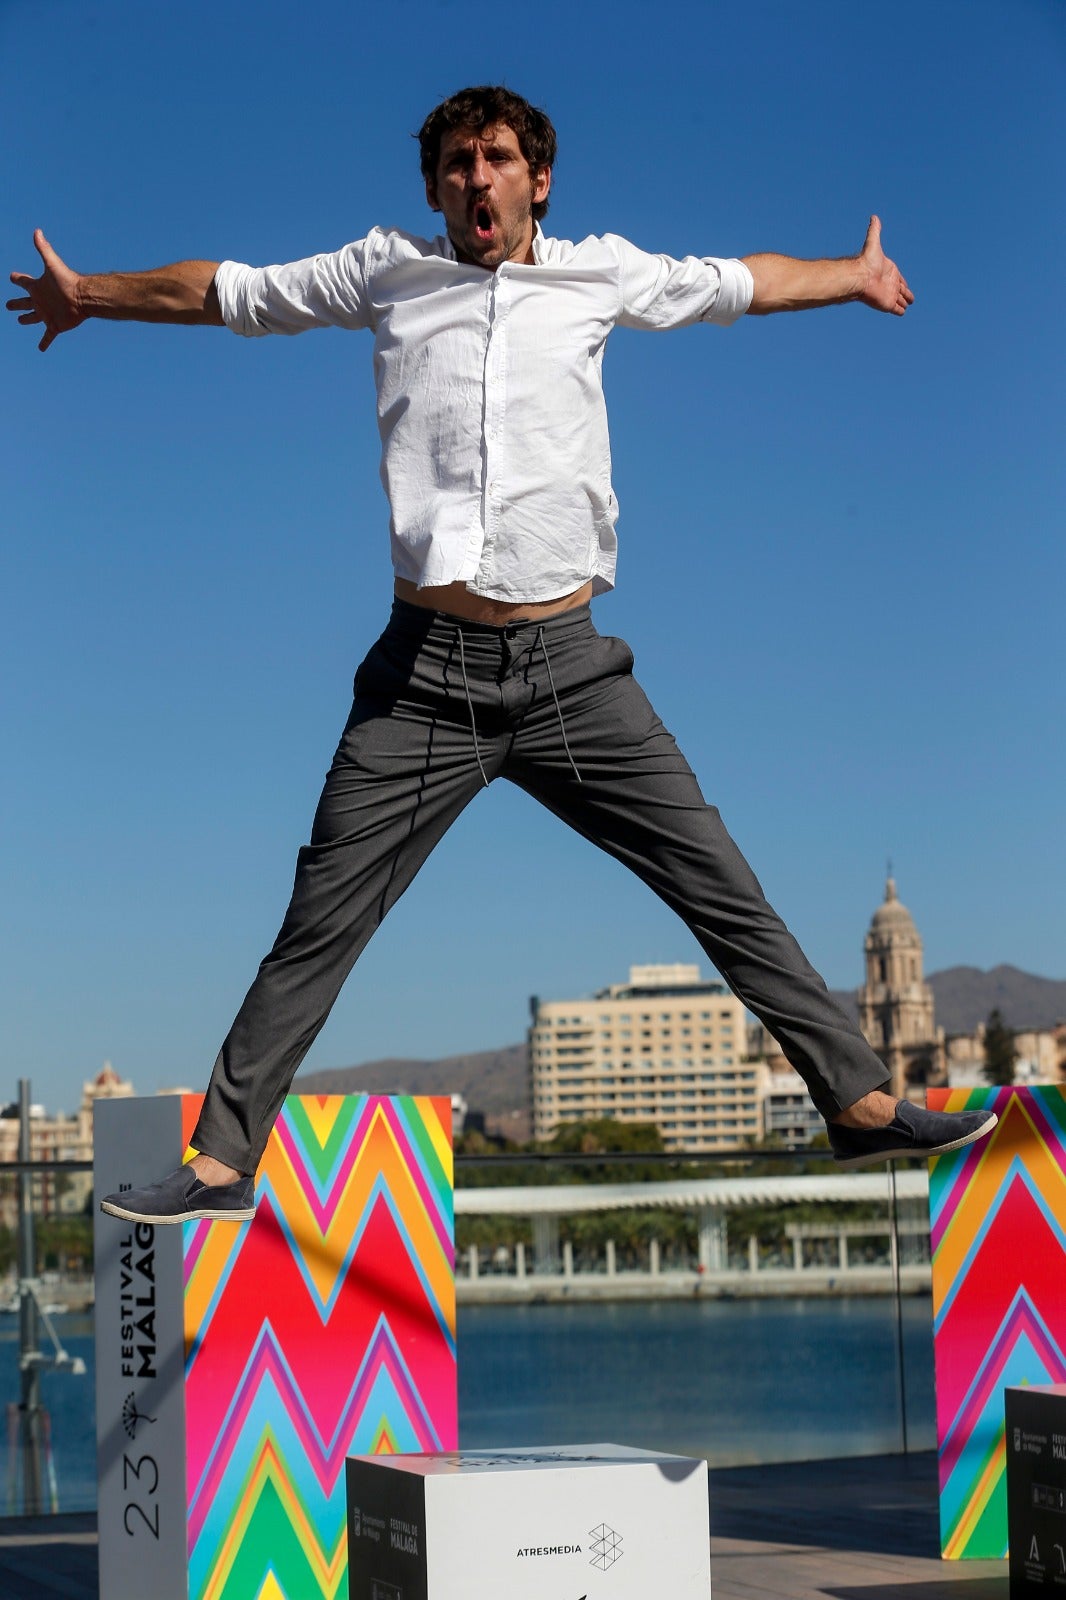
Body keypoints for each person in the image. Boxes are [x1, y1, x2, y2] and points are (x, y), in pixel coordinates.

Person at [9, 85, 995, 1225]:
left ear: (538, 180)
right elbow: (228, 292)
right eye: (458, 164)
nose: (478, 178)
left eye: (498, 158)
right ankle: (224, 1160)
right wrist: (90, 293)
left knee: (718, 881)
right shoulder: (386, 271)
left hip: (573, 670)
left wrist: (853, 274)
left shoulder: (600, 273)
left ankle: (858, 1104)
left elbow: (742, 283)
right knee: (319, 913)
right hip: (423, 680)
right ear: (435, 188)